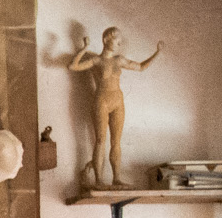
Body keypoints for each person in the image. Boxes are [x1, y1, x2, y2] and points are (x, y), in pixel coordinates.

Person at [68, 27, 164, 186]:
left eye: (120, 41)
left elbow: (140, 67)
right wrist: (84, 49)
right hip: (102, 100)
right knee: (100, 140)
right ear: (106, 39)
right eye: (116, 40)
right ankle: (99, 180)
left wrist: (157, 53)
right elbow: (73, 66)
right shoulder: (96, 60)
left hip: (118, 100)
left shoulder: (119, 59)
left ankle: (116, 178)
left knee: (116, 141)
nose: (119, 43)